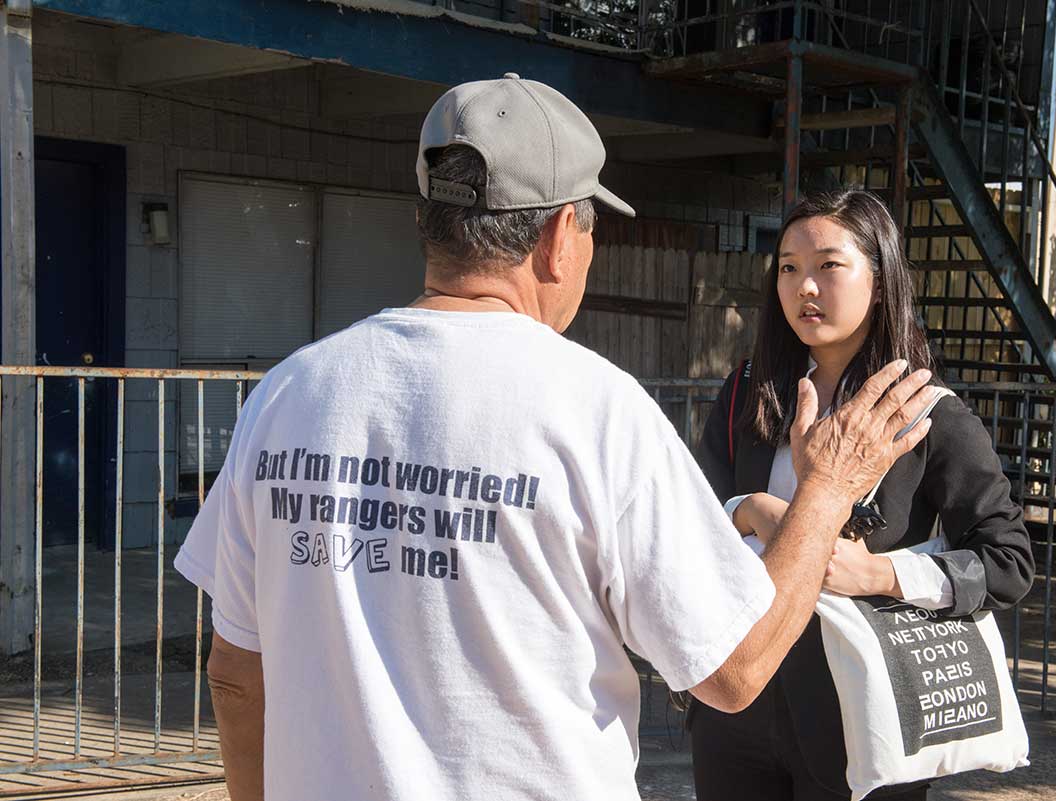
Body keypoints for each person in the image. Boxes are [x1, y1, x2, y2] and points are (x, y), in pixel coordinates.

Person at [173, 76, 940, 801]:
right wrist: (829, 488)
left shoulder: (287, 394)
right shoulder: (597, 412)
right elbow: (736, 667)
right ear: (560, 238)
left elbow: (238, 672)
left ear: (424, 223)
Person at [689, 189, 1036, 801]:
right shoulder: (747, 392)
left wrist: (881, 573)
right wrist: (746, 511)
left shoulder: (927, 413)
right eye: (789, 268)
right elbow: (688, 518)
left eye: (828, 265)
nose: (805, 287)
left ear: (880, 279)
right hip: (738, 698)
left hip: (864, 711)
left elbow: (1008, 562)